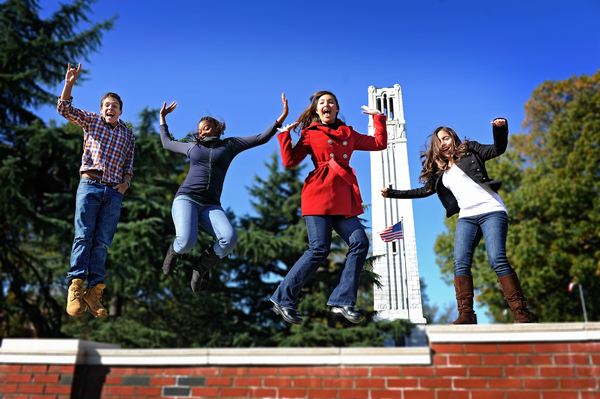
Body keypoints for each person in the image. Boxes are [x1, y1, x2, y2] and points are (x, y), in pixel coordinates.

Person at [381, 118, 537, 324]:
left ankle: (521, 312)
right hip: (467, 217)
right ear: (436, 147)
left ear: (453, 139)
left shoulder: (471, 150)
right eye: (439, 142)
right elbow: (423, 191)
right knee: (460, 263)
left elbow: (498, 149)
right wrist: (392, 193)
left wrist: (500, 130)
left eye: (446, 138)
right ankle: (466, 315)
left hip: (491, 210)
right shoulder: (439, 171)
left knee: (496, 259)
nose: (444, 143)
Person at [270, 90, 387, 325]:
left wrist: (378, 118)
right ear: (317, 110)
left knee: (360, 242)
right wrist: (284, 136)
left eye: (331, 102)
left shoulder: (349, 133)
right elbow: (290, 161)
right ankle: (283, 299)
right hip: (318, 194)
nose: (326, 105)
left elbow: (378, 143)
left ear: (336, 109)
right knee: (319, 249)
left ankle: (343, 300)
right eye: (322, 102)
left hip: (342, 198)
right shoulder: (310, 133)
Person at [159, 94, 290, 292]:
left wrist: (282, 117)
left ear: (217, 128)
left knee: (230, 239)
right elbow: (167, 143)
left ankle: (201, 267)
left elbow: (260, 138)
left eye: (206, 127)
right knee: (186, 242)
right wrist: (163, 119)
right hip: (186, 199)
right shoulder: (192, 147)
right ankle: (173, 252)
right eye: (200, 129)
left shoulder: (230, 145)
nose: (202, 131)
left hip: (211, 204)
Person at [59, 63, 135, 318]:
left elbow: (129, 163)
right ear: (101, 109)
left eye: (114, 106)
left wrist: (125, 184)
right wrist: (69, 82)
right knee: (84, 236)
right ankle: (76, 287)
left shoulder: (128, 135)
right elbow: (64, 109)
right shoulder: (91, 121)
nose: (110, 108)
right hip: (90, 184)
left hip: (114, 192)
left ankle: (95, 290)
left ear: (120, 110)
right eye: (106, 105)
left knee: (102, 242)